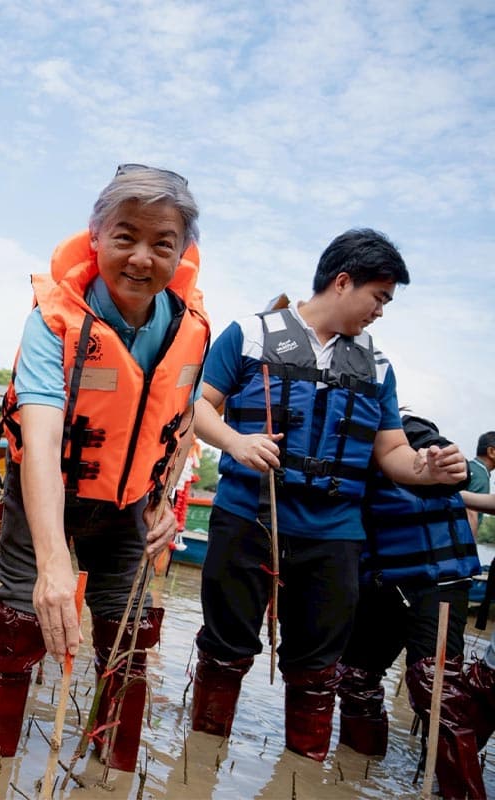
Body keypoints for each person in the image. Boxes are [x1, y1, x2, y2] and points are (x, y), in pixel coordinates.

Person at [191, 228, 469, 762]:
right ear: (343, 282)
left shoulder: (377, 365)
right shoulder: (249, 335)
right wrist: (235, 442)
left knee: (318, 668)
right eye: (379, 297)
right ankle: (197, 769)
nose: (381, 312)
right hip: (248, 518)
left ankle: (302, 777)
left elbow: (392, 453)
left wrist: (428, 469)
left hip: (334, 535)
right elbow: (198, 405)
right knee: (225, 649)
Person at [0, 164, 208, 770]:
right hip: (47, 490)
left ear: (182, 252)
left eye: (163, 244)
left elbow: (180, 420)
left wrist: (163, 500)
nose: (141, 259)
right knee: (17, 622)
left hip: (127, 503)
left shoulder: (189, 328)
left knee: (129, 635)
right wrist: (53, 561)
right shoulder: (53, 320)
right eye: (125, 237)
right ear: (96, 235)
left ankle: (114, 769)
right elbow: (41, 439)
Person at [334, 413, 482, 797]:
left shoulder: (407, 429)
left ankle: (460, 792)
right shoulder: (332, 451)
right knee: (355, 679)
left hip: (436, 580)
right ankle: (356, 779)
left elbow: (449, 466)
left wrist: (445, 464)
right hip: (381, 582)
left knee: (436, 688)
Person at [466, 430, 494, 530]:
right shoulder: (481, 475)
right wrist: (471, 540)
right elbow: (471, 513)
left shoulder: (469, 467)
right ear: (491, 452)